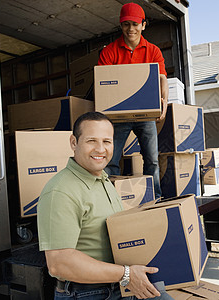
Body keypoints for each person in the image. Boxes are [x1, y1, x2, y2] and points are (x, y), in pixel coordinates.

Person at [37, 112, 173, 300]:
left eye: (107, 142)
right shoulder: (60, 191)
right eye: (91, 141)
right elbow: (59, 263)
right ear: (74, 143)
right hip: (86, 293)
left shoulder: (102, 179)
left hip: (118, 282)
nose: (100, 149)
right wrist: (126, 274)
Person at [98, 2, 168, 200]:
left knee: (152, 160)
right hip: (118, 116)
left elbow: (162, 78)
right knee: (111, 160)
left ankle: (155, 197)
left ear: (144, 25)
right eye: (126, 24)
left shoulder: (153, 51)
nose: (131, 29)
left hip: (145, 115)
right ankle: (110, 199)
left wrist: (163, 100)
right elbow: (103, 84)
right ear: (121, 26)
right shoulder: (109, 51)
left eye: (135, 24)